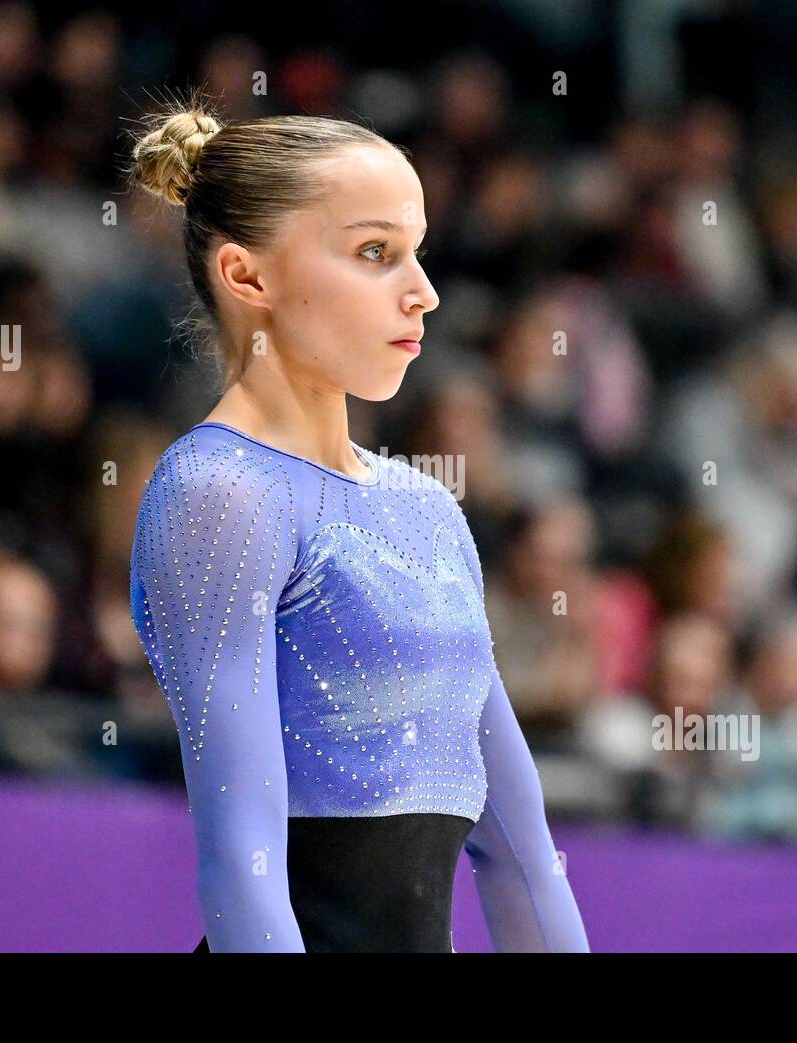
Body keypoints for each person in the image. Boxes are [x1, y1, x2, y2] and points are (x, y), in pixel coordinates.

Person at [126, 92, 590, 953]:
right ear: (248, 276)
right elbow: (242, 856)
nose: (425, 292)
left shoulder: (427, 509)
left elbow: (521, 848)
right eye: (376, 253)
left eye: (416, 252)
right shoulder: (220, 492)